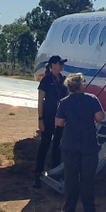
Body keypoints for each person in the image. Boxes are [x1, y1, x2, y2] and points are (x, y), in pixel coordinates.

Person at [55, 73, 105, 212]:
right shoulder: (92, 99)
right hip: (88, 144)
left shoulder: (64, 102)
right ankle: (89, 209)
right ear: (82, 85)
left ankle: (69, 208)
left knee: (70, 177)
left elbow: (59, 122)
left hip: (70, 144)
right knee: (87, 178)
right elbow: (100, 117)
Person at [34, 55, 68, 187]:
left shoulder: (64, 80)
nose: (62, 66)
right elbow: (40, 101)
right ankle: (37, 175)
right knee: (44, 145)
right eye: (60, 63)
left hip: (60, 118)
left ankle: (55, 175)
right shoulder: (46, 80)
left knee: (57, 146)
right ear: (53, 65)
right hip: (48, 117)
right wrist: (40, 119)